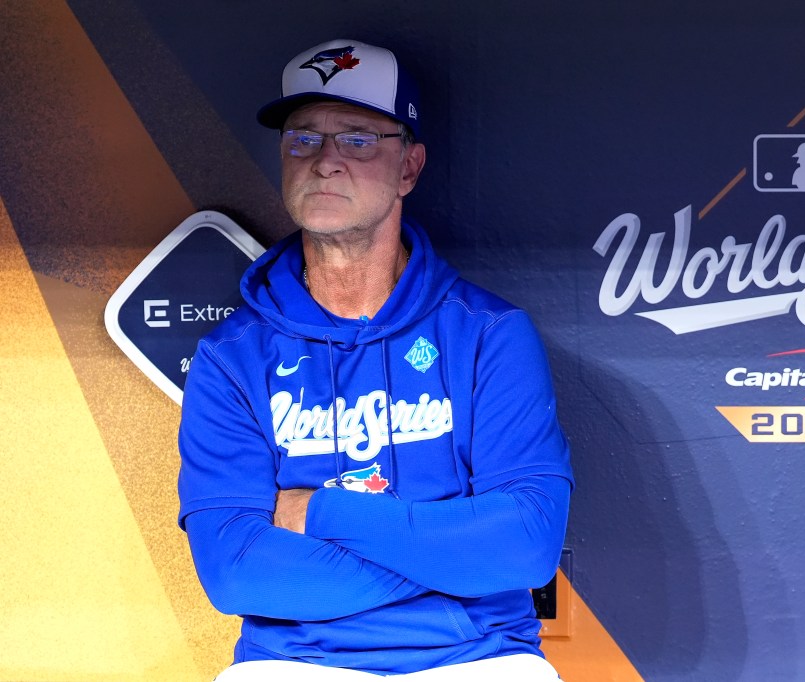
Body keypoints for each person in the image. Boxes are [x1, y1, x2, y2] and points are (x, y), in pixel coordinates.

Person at [177, 39, 573, 681]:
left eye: (358, 139)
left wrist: (318, 512)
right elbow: (235, 573)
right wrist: (447, 556)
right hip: (294, 662)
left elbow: (524, 549)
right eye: (303, 138)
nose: (325, 161)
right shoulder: (231, 357)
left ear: (409, 168)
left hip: (477, 657)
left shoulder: (489, 334)